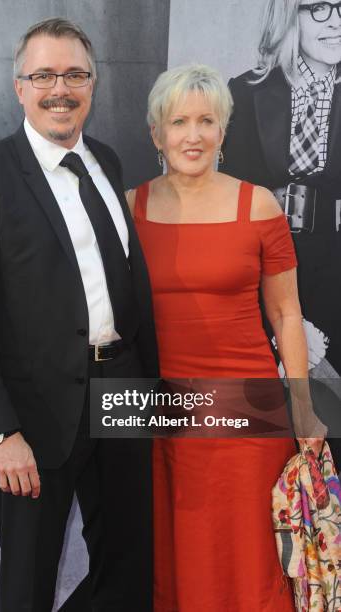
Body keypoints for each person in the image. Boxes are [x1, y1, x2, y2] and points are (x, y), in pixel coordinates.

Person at [0, 17, 158, 612]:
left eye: (74, 74)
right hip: (31, 416)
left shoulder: (107, 162)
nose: (60, 87)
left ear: (93, 84)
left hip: (125, 392)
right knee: (29, 579)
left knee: (128, 563)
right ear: (19, 87)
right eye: (43, 75)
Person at [126, 63, 325, 611]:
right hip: (159, 410)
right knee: (175, 554)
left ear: (224, 130)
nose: (193, 135)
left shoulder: (258, 205)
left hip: (248, 408)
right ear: (155, 133)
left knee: (249, 557)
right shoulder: (129, 208)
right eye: (179, 121)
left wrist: (302, 410)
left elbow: (287, 314)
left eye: (207, 121)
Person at [221, 0, 341, 383]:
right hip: (266, 273)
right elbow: (230, 205)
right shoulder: (245, 91)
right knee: (270, 417)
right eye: (320, 7)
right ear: (289, 14)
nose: (336, 22)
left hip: (336, 276)